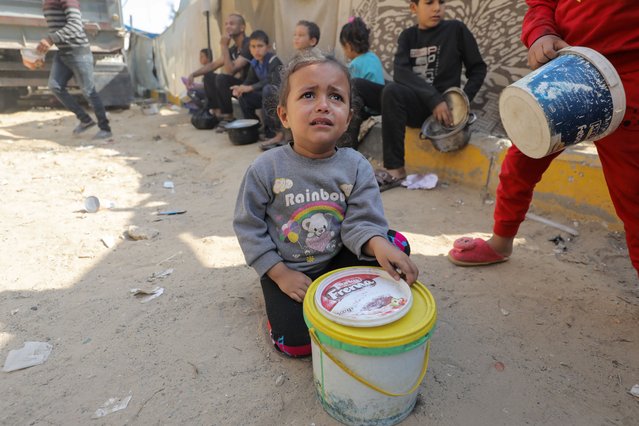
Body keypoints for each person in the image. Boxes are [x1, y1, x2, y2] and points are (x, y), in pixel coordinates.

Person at [233, 50, 419, 357]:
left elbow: (362, 221)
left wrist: (377, 242)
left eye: (336, 97)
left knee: (394, 244)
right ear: (284, 115)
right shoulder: (266, 169)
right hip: (289, 270)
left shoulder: (355, 166)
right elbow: (248, 226)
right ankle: (280, 316)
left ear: (348, 118)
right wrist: (278, 274)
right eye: (308, 94)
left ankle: (345, 296)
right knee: (296, 346)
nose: (323, 104)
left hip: (336, 262)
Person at [448, 0, 639, 278]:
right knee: (521, 161)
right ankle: (501, 242)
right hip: (564, 74)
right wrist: (540, 34)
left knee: (633, 194)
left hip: (627, 85)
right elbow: (541, 4)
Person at [377, 0, 486, 191]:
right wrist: (433, 98)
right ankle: (388, 168)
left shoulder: (456, 30)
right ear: (414, 8)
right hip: (418, 107)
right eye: (429, 3)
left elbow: (478, 69)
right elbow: (400, 72)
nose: (437, 8)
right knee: (368, 88)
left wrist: (462, 104)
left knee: (391, 91)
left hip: (442, 117)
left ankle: (393, 170)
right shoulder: (408, 36)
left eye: (441, 2)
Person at [37, 0, 112, 140]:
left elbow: (75, 25)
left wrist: (50, 39)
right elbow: (57, 25)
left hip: (78, 52)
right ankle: (85, 120)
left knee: (88, 91)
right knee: (55, 86)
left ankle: (105, 128)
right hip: (63, 52)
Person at [259, 20, 322, 151]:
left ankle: (284, 136)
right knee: (272, 92)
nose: (296, 38)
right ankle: (280, 135)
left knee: (276, 94)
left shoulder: (316, 58)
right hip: (299, 93)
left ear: (312, 41)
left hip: (311, 96)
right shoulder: (296, 58)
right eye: (295, 35)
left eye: (300, 35)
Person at [186, 13, 252, 128]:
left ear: (242, 28)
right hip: (238, 84)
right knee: (209, 76)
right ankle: (217, 113)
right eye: (226, 24)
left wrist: (224, 46)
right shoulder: (233, 49)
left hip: (250, 85)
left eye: (232, 24)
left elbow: (230, 70)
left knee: (222, 78)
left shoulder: (249, 44)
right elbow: (213, 65)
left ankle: (229, 116)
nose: (227, 27)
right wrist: (193, 74)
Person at [339, 16, 385, 148]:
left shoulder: (355, 65)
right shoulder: (373, 57)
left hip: (368, 108)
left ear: (348, 46)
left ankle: (346, 147)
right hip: (380, 102)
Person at [231, 31, 283, 142]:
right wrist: (240, 87)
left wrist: (250, 88)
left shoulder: (274, 60)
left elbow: (271, 79)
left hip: (278, 98)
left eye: (260, 46)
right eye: (253, 47)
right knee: (243, 96)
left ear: (268, 47)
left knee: (267, 89)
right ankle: (254, 128)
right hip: (264, 96)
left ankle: (273, 131)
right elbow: (249, 80)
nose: (256, 50)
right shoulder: (254, 63)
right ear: (249, 48)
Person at [181, 48, 213, 112]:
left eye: (202, 56)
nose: (200, 58)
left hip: (209, 92)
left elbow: (207, 85)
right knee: (189, 94)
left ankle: (202, 108)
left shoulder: (209, 69)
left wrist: (194, 87)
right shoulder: (204, 69)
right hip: (206, 91)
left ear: (208, 58)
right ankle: (200, 107)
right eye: (199, 56)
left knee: (191, 92)